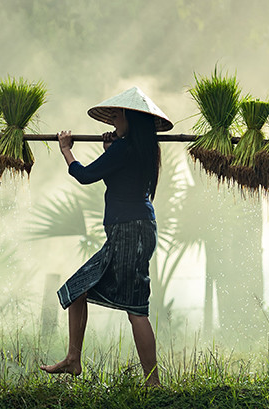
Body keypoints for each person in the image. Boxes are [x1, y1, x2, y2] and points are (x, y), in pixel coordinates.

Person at [41, 87, 173, 388]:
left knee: (135, 309)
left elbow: (85, 176)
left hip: (128, 232)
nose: (113, 118)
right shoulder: (141, 149)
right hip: (136, 229)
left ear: (131, 117)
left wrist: (66, 149)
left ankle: (152, 385)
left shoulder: (125, 149)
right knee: (83, 292)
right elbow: (119, 179)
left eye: (117, 114)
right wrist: (109, 151)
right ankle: (74, 359)